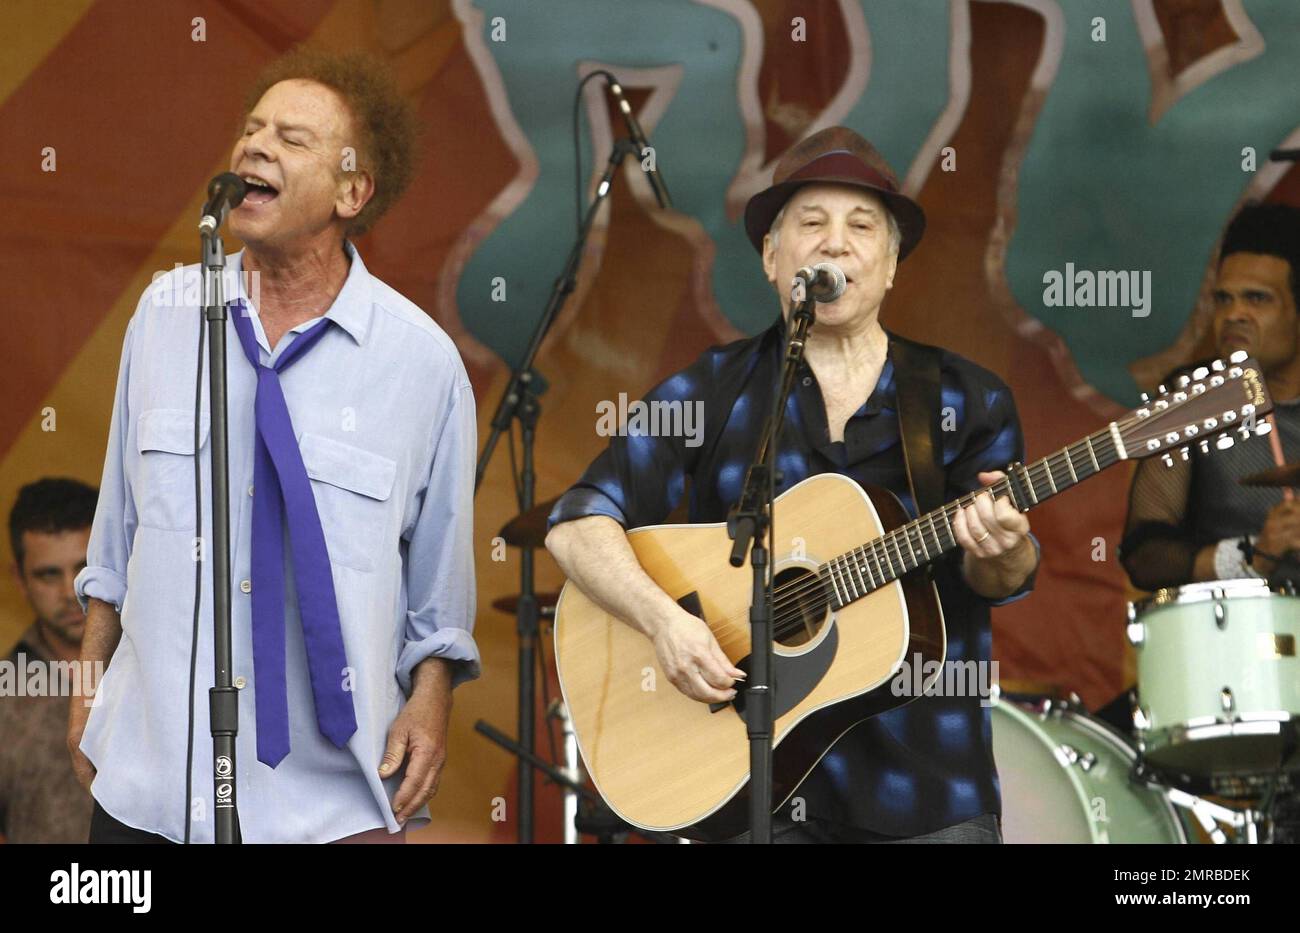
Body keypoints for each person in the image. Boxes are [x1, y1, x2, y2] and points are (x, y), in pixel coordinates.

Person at [545, 126, 1039, 843]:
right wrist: (666, 622)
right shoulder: (716, 388)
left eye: (862, 226)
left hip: (929, 791)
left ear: (892, 263)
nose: (835, 244)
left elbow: (1003, 575)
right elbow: (577, 524)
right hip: (757, 793)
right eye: (811, 223)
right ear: (774, 258)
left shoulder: (969, 397)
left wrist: (1003, 549)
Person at [71, 47, 479, 844]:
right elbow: (114, 542)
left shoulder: (422, 364)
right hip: (148, 781)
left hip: (323, 804)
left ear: (353, 190)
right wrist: (89, 686)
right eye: (251, 129)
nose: (255, 147)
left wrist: (433, 697)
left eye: (293, 139)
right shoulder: (164, 314)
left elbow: (439, 593)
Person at [1120, 202, 1300, 843]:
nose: (1235, 316)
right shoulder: (1191, 399)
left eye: (1259, 299)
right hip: (1227, 688)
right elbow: (1144, 551)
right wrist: (1248, 557)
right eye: (1224, 300)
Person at [1, 479, 98, 843]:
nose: (69, 591)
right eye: (48, 574)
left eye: (84, 568)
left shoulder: (169, 673)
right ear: (20, 580)